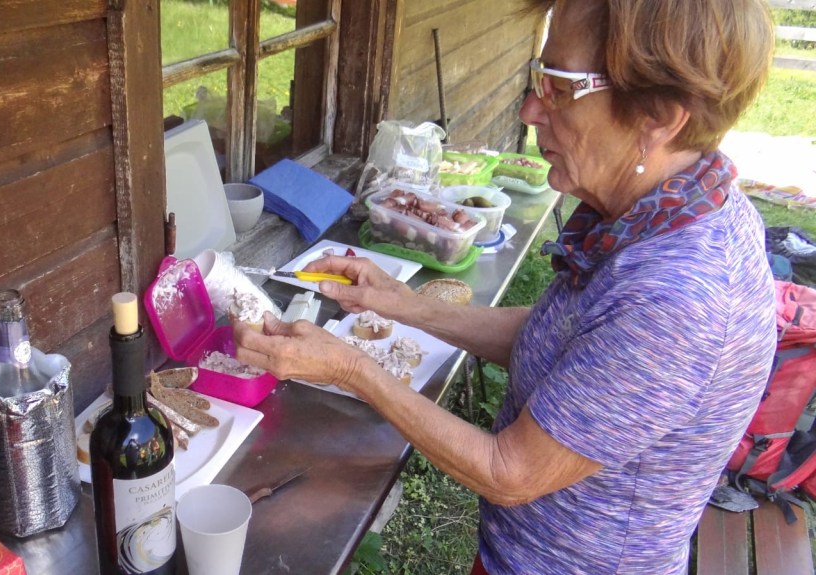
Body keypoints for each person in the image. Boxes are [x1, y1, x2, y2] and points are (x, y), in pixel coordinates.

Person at [233, 0, 779, 573]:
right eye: (538, 80)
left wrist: (350, 367)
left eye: (560, 88)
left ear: (660, 117)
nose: (529, 109)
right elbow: (570, 340)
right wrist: (402, 304)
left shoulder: (678, 298)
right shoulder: (678, 207)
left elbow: (509, 472)